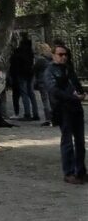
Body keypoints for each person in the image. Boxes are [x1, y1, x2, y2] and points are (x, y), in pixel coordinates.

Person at [45, 42, 86, 185]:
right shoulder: (50, 71)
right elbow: (54, 90)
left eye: (65, 54)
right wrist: (73, 96)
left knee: (80, 141)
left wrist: (81, 93)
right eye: (60, 54)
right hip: (62, 109)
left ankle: (80, 171)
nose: (63, 57)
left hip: (75, 108)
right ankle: (68, 172)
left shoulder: (68, 68)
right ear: (53, 55)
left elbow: (75, 83)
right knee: (67, 141)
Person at [9, 34, 38, 121]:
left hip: (21, 74)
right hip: (30, 73)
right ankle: (35, 113)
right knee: (31, 93)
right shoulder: (30, 51)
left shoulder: (18, 52)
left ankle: (27, 113)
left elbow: (13, 62)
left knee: (24, 93)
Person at [33, 42, 54, 126]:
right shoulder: (52, 58)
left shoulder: (40, 60)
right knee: (52, 100)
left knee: (46, 101)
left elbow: (34, 69)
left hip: (43, 81)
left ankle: (49, 119)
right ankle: (55, 117)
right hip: (52, 81)